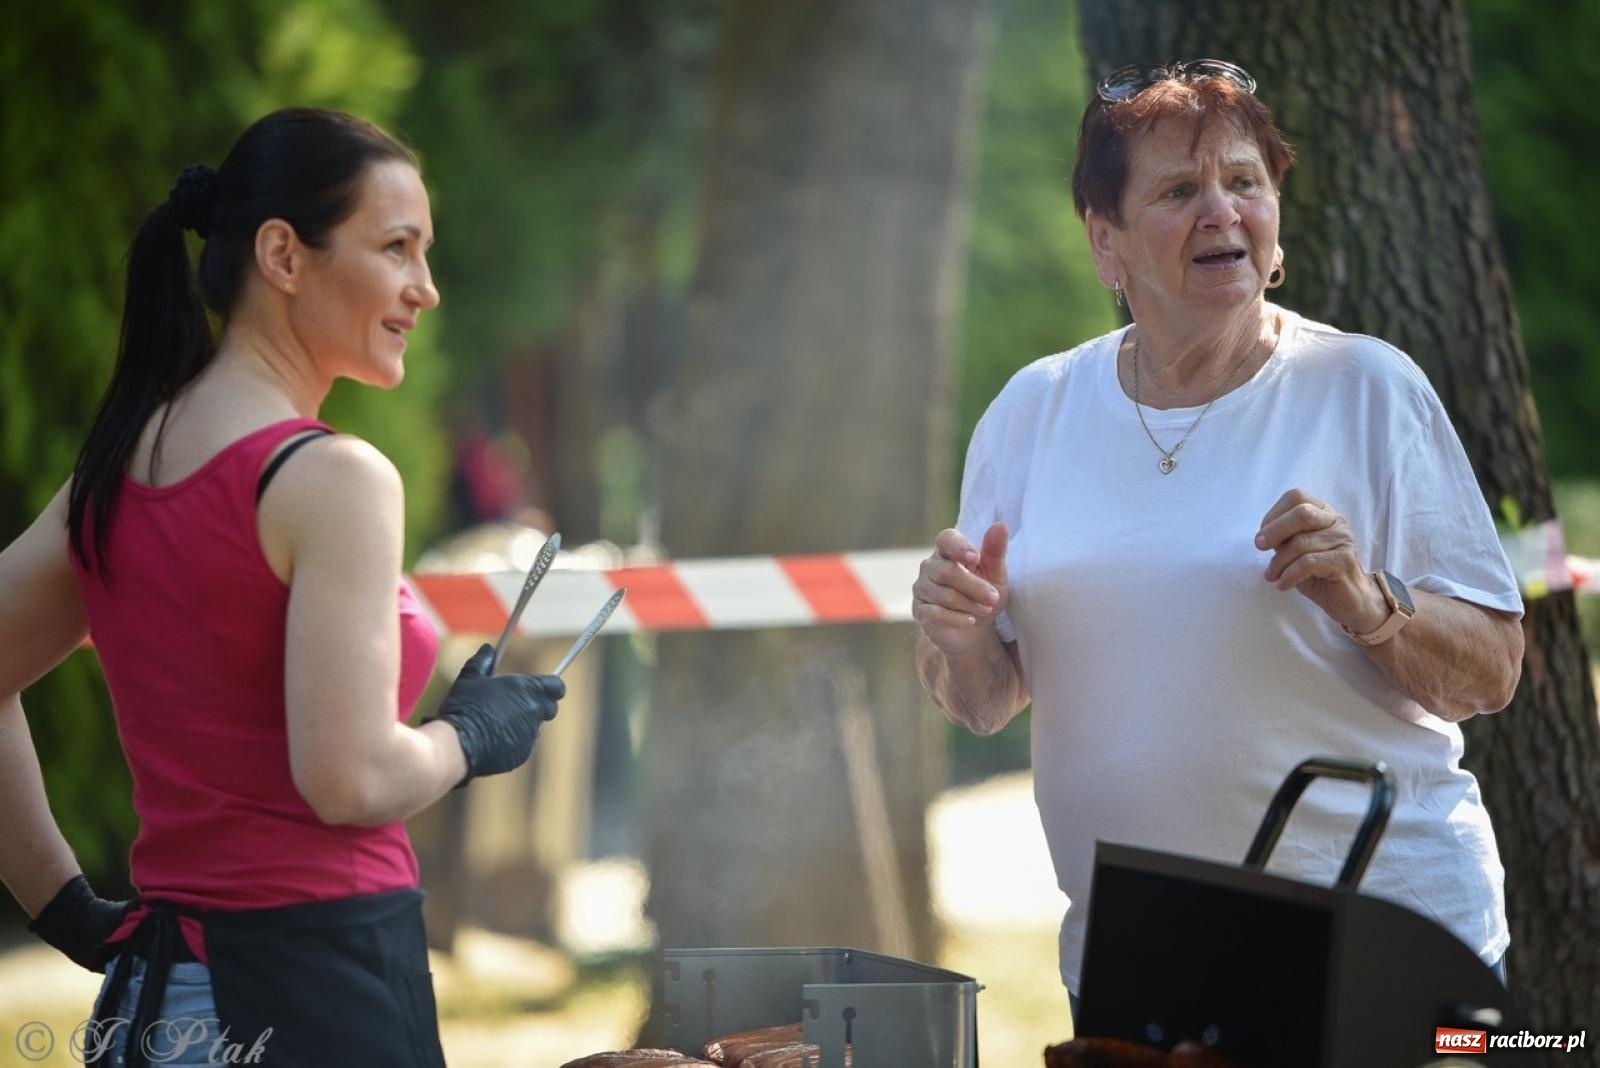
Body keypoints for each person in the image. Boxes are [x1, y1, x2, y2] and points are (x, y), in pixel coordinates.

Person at [912, 61, 1524, 1016]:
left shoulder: (1365, 388)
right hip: (1136, 958)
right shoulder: (1032, 411)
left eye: (1245, 182)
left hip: (1374, 949)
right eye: (1178, 190)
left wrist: (1372, 605)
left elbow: (1492, 672)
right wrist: (957, 643)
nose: (1221, 211)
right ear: (1104, 240)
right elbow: (984, 700)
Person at [0, 108, 566, 1066]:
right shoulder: (335, 478)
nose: (424, 290)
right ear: (283, 255)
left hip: (154, 1006)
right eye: (396, 248)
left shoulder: (114, 468)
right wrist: (468, 737)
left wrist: (61, 903)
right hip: (318, 992)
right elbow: (347, 781)